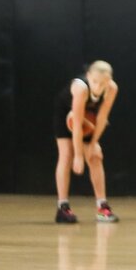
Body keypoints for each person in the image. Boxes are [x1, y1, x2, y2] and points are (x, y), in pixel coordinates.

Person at [53, 61, 119, 223]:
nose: (98, 86)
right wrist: (79, 155)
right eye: (95, 81)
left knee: (96, 155)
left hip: (89, 116)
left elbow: (102, 118)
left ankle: (102, 207)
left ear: (109, 80)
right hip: (67, 115)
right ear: (89, 76)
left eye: (102, 83)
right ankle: (63, 207)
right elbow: (76, 123)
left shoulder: (112, 89)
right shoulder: (81, 88)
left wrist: (93, 143)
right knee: (67, 155)